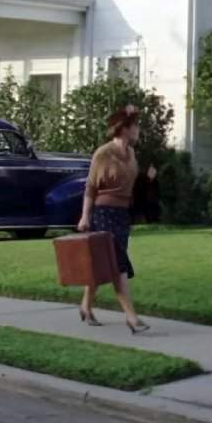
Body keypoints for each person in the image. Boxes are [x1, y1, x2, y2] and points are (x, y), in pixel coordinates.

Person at [77, 104, 150, 334]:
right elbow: (90, 188)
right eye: (136, 126)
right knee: (119, 265)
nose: (139, 130)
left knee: (104, 264)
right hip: (103, 214)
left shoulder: (131, 154)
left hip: (122, 215)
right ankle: (131, 318)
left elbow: (130, 186)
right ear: (125, 129)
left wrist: (147, 182)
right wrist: (85, 216)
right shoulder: (103, 153)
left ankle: (86, 307)